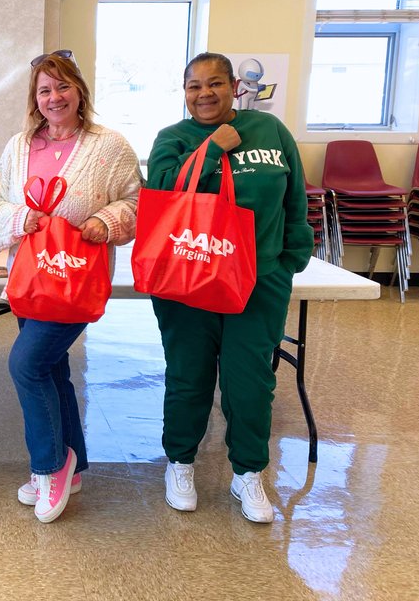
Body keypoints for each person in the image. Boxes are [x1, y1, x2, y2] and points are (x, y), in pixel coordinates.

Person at [148, 51, 313, 524]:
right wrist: (213, 148)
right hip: (188, 279)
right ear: (184, 92)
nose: (205, 93)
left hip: (258, 283)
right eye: (194, 86)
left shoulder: (272, 132)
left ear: (235, 85)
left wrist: (290, 260)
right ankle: (180, 463)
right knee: (188, 376)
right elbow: (162, 191)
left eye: (215, 83)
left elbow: (294, 195)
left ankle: (249, 471)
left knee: (251, 382)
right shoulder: (173, 138)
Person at [0, 49, 141, 523]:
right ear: (35, 99)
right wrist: (20, 217)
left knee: (26, 365)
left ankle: (51, 466)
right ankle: (73, 467)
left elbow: (135, 202)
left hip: (75, 280)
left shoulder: (110, 146)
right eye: (45, 90)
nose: (55, 97)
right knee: (52, 371)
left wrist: (105, 219)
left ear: (80, 92)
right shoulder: (19, 146)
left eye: (63, 87)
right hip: (31, 278)